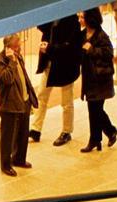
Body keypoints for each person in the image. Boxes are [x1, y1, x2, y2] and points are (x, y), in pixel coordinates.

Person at [29, 14, 81, 146]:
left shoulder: (72, 20)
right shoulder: (53, 14)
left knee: (66, 101)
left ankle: (67, 131)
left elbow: (70, 48)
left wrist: (49, 48)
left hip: (65, 65)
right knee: (41, 95)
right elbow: (43, 27)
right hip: (51, 62)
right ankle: (36, 129)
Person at [0, 33, 38, 177]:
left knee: (23, 133)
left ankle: (19, 159)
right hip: (9, 104)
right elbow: (7, 79)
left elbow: (23, 76)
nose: (20, 46)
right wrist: (11, 61)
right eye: (17, 44)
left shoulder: (18, 56)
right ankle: (5, 165)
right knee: (8, 136)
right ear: (9, 46)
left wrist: (30, 95)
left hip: (23, 101)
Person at [78, 7, 117, 153]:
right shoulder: (83, 34)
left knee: (94, 110)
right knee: (96, 110)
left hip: (100, 80)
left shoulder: (101, 36)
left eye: (82, 17)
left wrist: (91, 50)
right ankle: (109, 133)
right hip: (90, 78)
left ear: (90, 18)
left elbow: (108, 53)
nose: (80, 19)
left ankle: (95, 139)